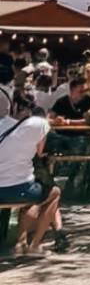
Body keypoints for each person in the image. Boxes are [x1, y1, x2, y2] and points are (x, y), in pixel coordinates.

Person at [0, 90, 67, 255]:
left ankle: (21, 242)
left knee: (31, 196)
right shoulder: (36, 124)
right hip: (21, 189)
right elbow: (40, 152)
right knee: (53, 192)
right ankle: (34, 245)